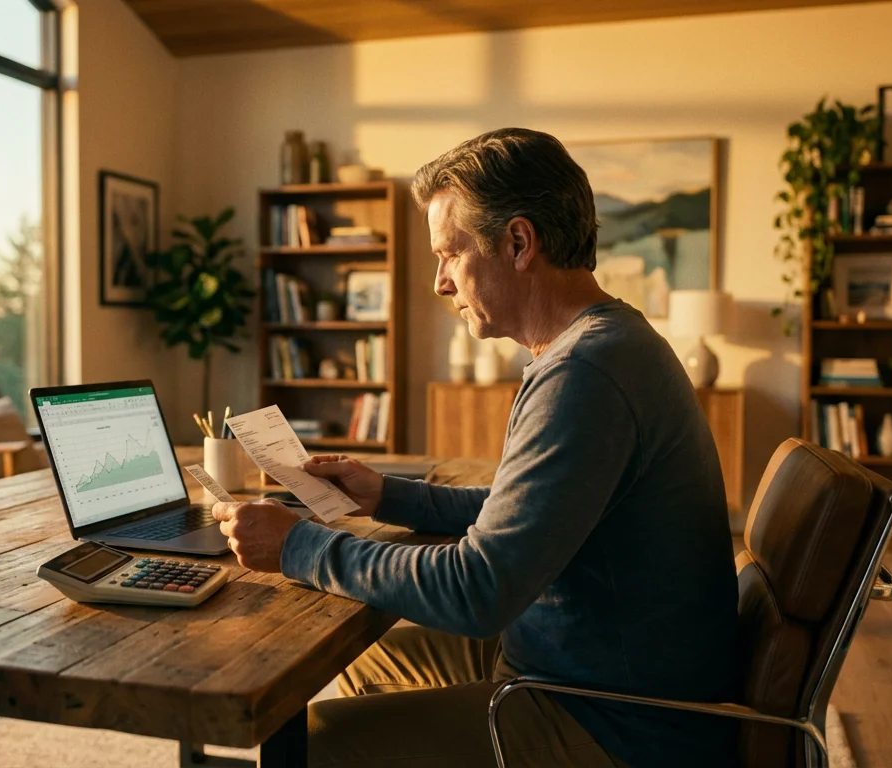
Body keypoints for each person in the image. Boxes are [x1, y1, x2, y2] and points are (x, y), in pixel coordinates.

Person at [211, 127, 738, 767]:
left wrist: (297, 544)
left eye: (449, 255)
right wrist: (388, 495)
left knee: (314, 746)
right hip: (576, 664)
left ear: (517, 243)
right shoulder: (606, 344)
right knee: (363, 660)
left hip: (615, 720)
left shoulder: (585, 375)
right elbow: (525, 515)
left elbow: (476, 588)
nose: (439, 282)